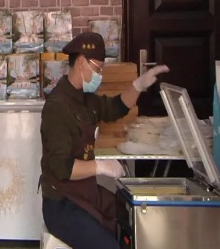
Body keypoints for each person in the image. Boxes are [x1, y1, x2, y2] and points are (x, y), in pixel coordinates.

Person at [40, 32, 169, 249]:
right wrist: (101, 166)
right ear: (82, 62)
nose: (100, 75)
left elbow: (116, 108)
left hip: (86, 192)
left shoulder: (86, 100)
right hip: (62, 202)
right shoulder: (57, 107)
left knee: (132, 217)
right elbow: (63, 168)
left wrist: (138, 85)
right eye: (98, 69)